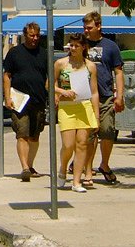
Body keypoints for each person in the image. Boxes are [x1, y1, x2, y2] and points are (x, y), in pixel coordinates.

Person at [82, 10, 124, 185]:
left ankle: (104, 165)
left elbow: (119, 72)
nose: (86, 31)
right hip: (85, 97)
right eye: (84, 28)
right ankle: (87, 170)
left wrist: (119, 96)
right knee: (89, 135)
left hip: (106, 96)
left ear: (99, 26)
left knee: (107, 132)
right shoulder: (80, 45)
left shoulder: (111, 46)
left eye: (89, 28)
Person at [3, 21, 48, 182]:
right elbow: (7, 76)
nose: (35, 38)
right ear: (25, 35)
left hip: (39, 100)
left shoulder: (44, 54)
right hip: (19, 101)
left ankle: (30, 165)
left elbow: (49, 78)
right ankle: (24, 167)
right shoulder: (15, 53)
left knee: (34, 136)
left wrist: (51, 94)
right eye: (31, 35)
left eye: (37, 35)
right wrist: (7, 97)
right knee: (22, 134)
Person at [54, 34, 100, 193]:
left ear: (83, 47)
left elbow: (94, 92)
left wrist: (96, 116)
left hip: (84, 107)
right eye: (71, 45)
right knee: (68, 145)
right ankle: (62, 168)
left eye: (76, 46)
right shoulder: (60, 64)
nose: (72, 48)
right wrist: (62, 92)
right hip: (67, 108)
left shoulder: (90, 66)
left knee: (82, 144)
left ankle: (76, 181)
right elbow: (49, 85)